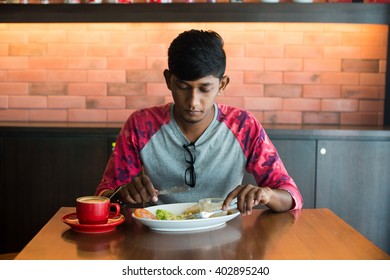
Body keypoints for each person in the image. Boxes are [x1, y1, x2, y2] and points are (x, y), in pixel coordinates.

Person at [96, 29, 303, 214]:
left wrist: (267, 194)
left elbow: (291, 195)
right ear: (169, 80)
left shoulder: (243, 126)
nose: (193, 102)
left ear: (222, 84)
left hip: (225, 238)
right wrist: (121, 194)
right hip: (159, 238)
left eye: (205, 88)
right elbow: (104, 196)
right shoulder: (141, 125)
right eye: (183, 87)